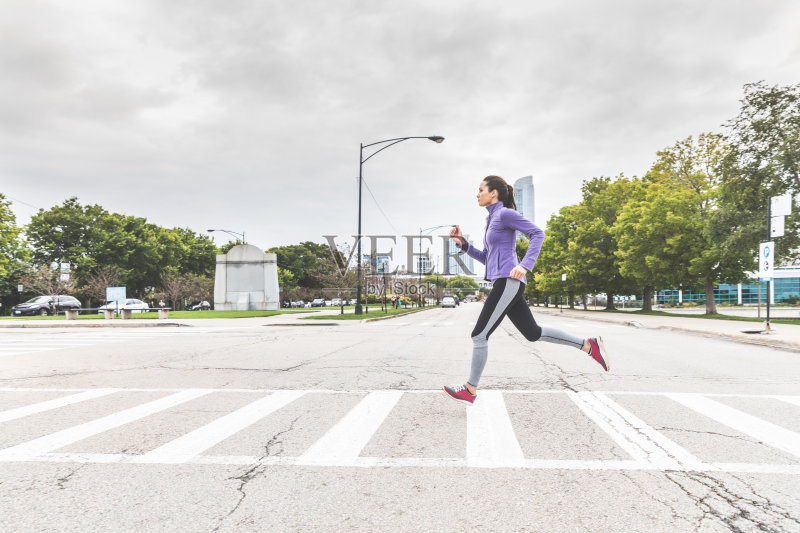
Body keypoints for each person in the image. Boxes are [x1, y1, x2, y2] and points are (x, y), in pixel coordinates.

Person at [444, 175, 610, 405]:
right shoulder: (491, 221)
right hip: (502, 281)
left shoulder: (505, 214)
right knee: (532, 332)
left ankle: (470, 389)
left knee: (480, 335)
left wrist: (524, 266)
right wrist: (463, 244)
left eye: (481, 189)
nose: (477, 193)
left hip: (508, 281)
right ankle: (588, 345)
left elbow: (538, 234)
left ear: (494, 193)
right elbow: (487, 257)